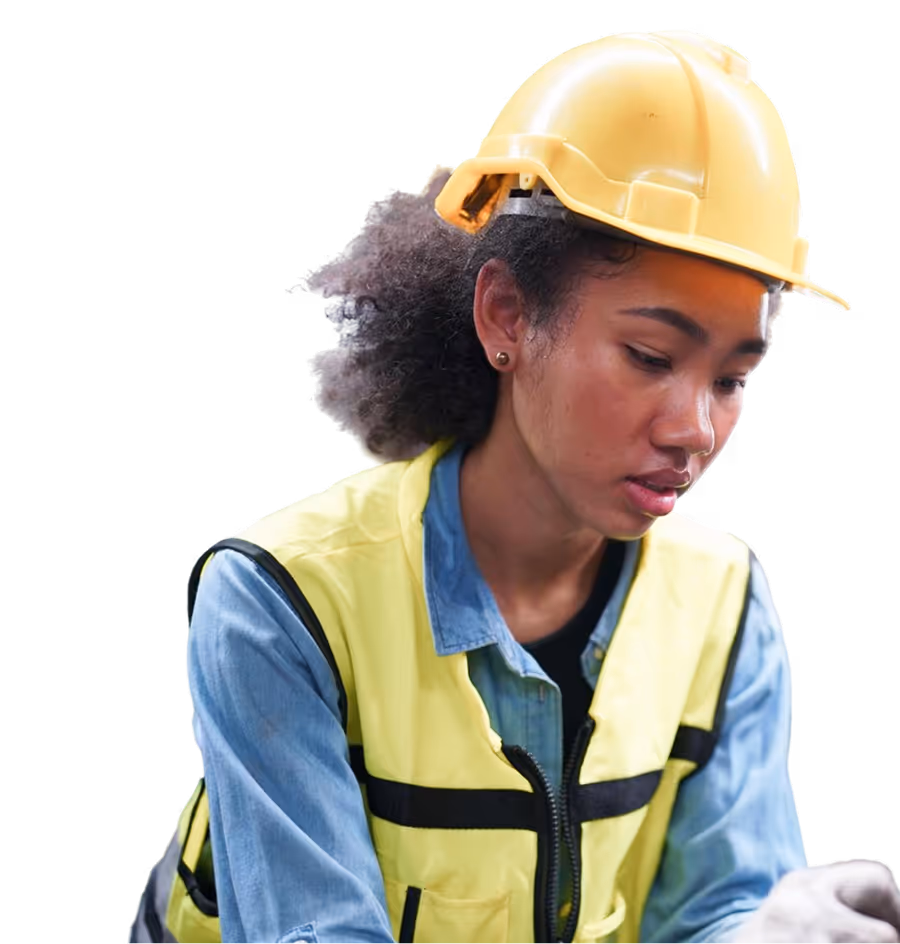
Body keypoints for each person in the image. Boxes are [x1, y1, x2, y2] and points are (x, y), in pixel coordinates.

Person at [130, 29, 898, 944]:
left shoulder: (725, 605)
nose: (696, 428)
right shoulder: (284, 601)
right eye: (650, 356)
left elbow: (715, 911)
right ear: (505, 316)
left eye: (734, 377)